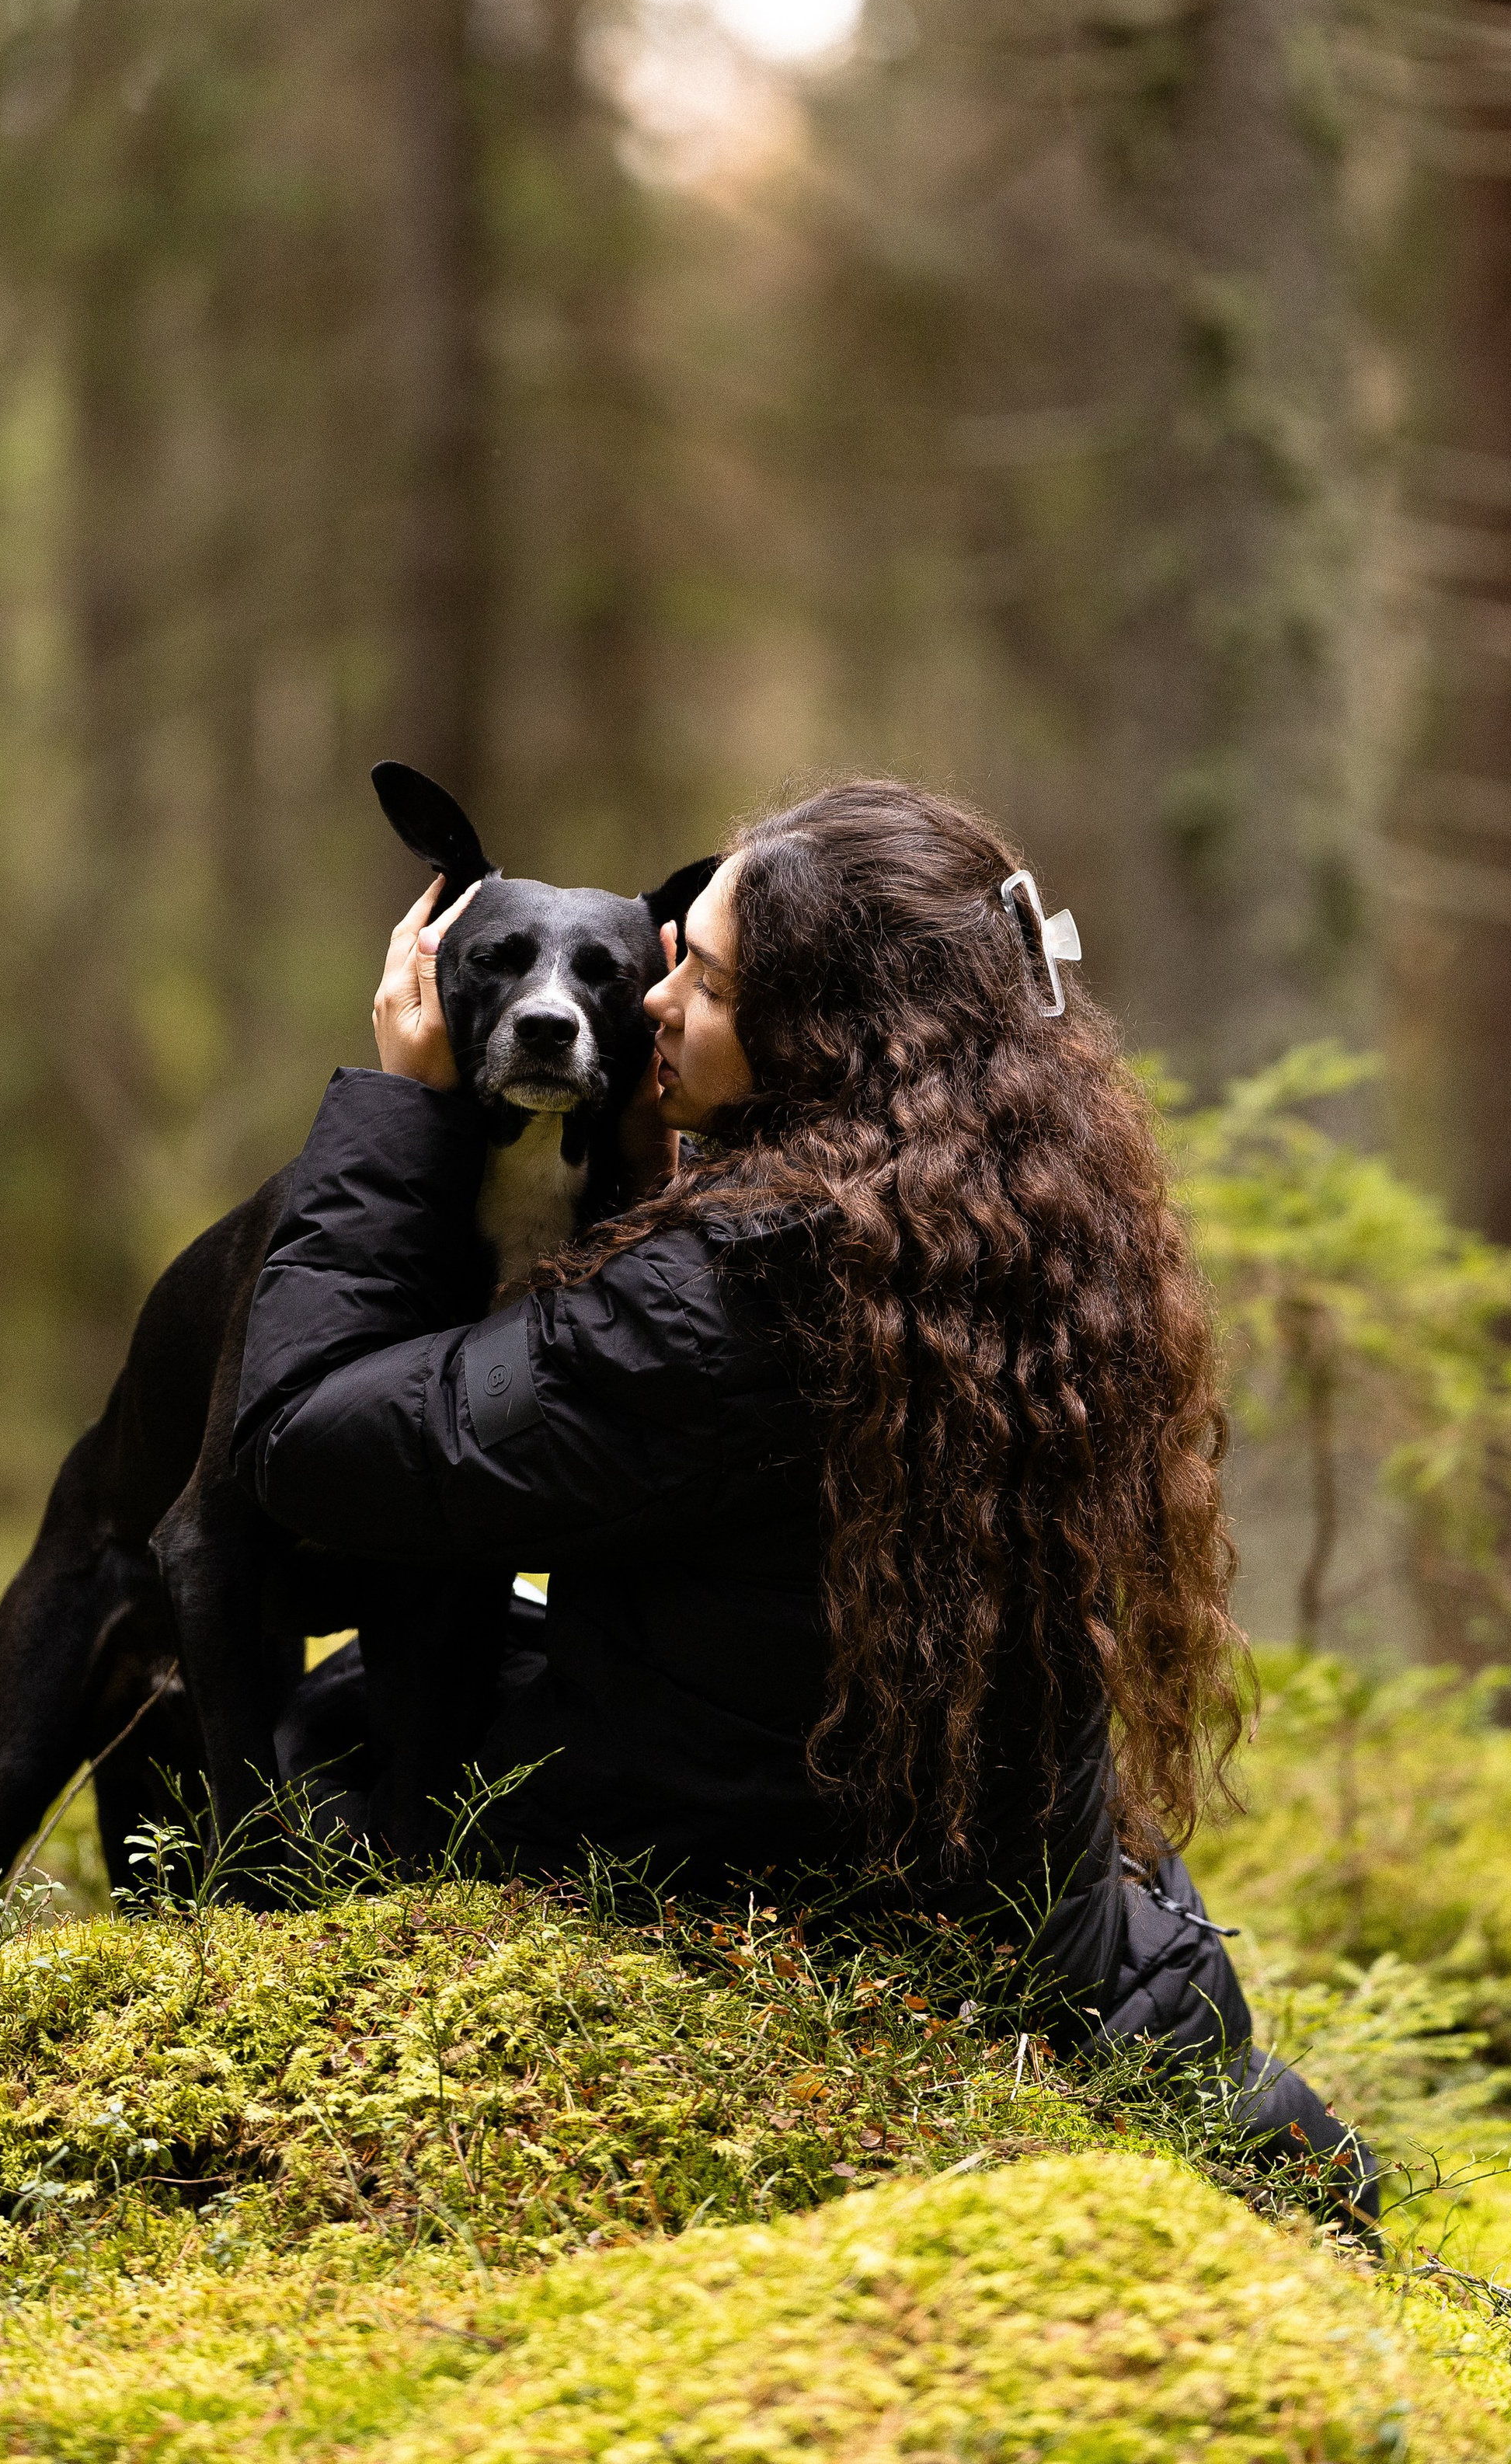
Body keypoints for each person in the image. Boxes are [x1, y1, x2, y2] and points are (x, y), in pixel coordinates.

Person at [232, 779, 1376, 2213]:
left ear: (817, 1032)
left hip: (732, 1881)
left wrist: (399, 1118)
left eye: (698, 977)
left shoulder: (725, 1298)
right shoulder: (1023, 1223)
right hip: (1019, 1886)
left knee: (327, 1738)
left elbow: (304, 1434)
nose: (656, 1001)